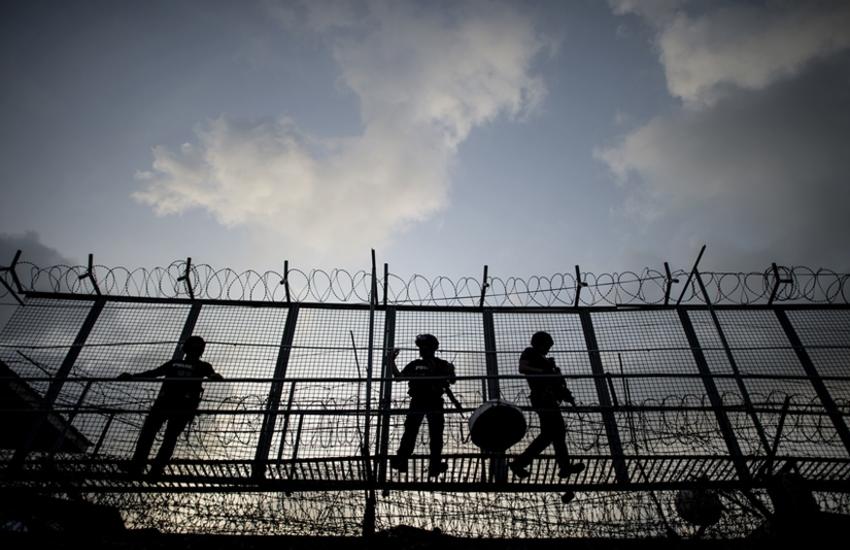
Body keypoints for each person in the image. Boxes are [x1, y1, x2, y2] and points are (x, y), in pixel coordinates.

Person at [117, 335, 222, 477]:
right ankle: (146, 467)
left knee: (162, 436)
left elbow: (212, 375)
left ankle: (148, 467)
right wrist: (133, 376)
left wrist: (215, 377)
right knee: (157, 435)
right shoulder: (181, 364)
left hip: (179, 405)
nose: (193, 352)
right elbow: (154, 373)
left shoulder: (199, 366)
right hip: (172, 404)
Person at [509, 331, 584, 479]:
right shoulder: (530, 352)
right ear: (539, 343)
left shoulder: (548, 362)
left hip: (549, 399)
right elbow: (522, 368)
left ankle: (521, 463)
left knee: (551, 434)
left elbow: (556, 383)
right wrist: (544, 372)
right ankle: (562, 466)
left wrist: (564, 393)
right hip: (542, 397)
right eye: (547, 345)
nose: (548, 349)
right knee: (556, 432)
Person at [389, 333, 456, 477]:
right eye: (421, 347)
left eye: (425, 347)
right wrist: (391, 361)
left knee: (435, 433)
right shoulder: (415, 364)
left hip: (434, 401)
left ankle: (435, 465)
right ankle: (403, 459)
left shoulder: (441, 364)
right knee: (411, 431)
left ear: (432, 348)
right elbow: (399, 378)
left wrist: (451, 370)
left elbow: (452, 381)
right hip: (418, 401)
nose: (421, 350)